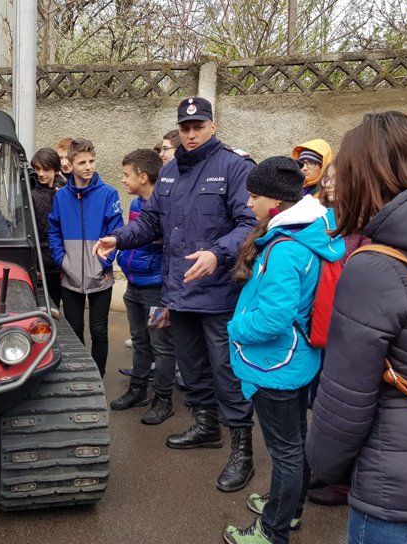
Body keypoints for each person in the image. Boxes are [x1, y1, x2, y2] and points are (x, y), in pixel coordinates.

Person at [94, 96, 258, 492]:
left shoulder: (234, 168)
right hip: (179, 292)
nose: (191, 134)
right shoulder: (169, 174)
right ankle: (205, 426)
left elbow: (250, 222)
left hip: (219, 294)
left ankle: (243, 450)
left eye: (198, 126)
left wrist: (217, 254)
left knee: (226, 373)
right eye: (185, 127)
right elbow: (150, 222)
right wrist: (118, 238)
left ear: (212, 126)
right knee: (193, 367)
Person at [306, 111, 407, 544]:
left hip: (406, 501)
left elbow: (344, 403)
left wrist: (322, 468)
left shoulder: (376, 267)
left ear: (365, 178)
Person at [221, 157, 344, 544]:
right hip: (297, 360)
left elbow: (273, 319)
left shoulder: (286, 248)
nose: (248, 204)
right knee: (295, 443)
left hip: (276, 365)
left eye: (254, 196)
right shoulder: (311, 231)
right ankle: (286, 508)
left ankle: (272, 530)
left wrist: (235, 327)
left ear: (275, 202)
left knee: (286, 451)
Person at [110, 149, 176, 425]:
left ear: (144, 176)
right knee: (138, 341)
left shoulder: (167, 206)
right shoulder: (137, 204)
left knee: (161, 346)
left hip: (157, 291)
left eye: (127, 175)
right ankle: (137, 390)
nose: (123, 180)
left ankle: (163, 400)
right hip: (134, 286)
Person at [48, 138, 123, 377]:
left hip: (100, 275)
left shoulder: (108, 193)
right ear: (70, 164)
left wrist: (103, 263)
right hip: (70, 275)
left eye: (91, 161)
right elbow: (54, 230)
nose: (88, 167)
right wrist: (62, 261)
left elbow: (117, 232)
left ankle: (97, 375)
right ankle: (80, 373)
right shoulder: (61, 197)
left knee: (99, 330)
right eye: (82, 162)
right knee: (75, 328)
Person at [31, 147, 66, 308]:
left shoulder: (63, 191)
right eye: (37, 169)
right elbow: (30, 232)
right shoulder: (31, 194)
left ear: (56, 170)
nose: (41, 174)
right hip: (40, 263)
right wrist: (34, 265)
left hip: (61, 263)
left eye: (46, 169)